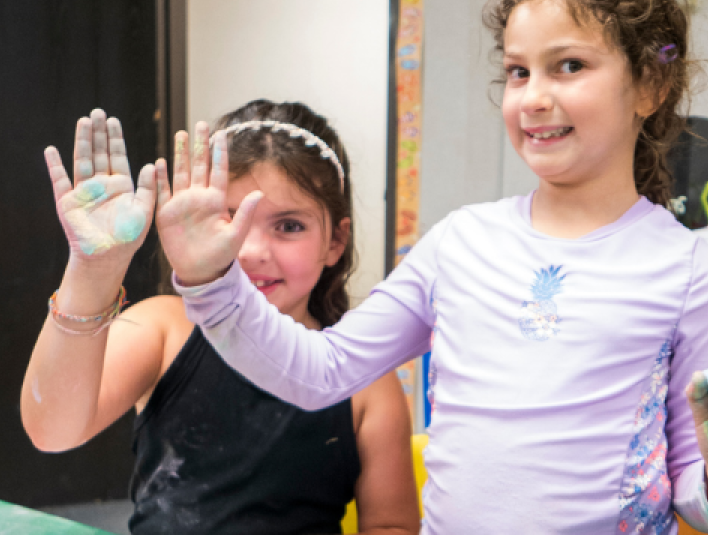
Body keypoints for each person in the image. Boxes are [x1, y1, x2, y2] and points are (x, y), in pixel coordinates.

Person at [152, 0, 708, 534]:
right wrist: (212, 283)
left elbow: (699, 500)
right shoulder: (459, 243)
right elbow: (323, 371)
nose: (534, 97)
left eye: (569, 65)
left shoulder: (691, 275)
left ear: (649, 85)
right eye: (518, 72)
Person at [21, 102, 421, 535]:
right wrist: (93, 270)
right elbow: (51, 430)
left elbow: (391, 525)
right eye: (228, 217)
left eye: (288, 226)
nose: (251, 250)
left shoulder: (366, 379)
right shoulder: (165, 328)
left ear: (335, 241)